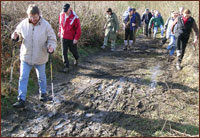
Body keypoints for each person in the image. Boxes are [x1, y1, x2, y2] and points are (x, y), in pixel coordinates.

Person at [11, 4, 57, 108]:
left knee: (41, 77)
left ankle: (43, 94)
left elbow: (52, 39)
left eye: (35, 17)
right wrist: (15, 36)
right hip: (26, 57)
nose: (33, 19)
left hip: (40, 56)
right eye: (31, 17)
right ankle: (21, 99)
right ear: (28, 16)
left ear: (39, 15)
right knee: (23, 77)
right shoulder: (23, 23)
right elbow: (16, 33)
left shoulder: (46, 25)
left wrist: (51, 47)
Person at [58, 3, 81, 73]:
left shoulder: (75, 17)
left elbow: (78, 29)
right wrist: (59, 31)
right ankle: (66, 66)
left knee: (73, 51)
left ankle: (76, 58)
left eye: (66, 11)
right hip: (63, 36)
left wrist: (76, 38)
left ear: (70, 9)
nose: (65, 12)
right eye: (64, 10)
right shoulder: (61, 15)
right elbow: (60, 24)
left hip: (71, 38)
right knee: (64, 52)